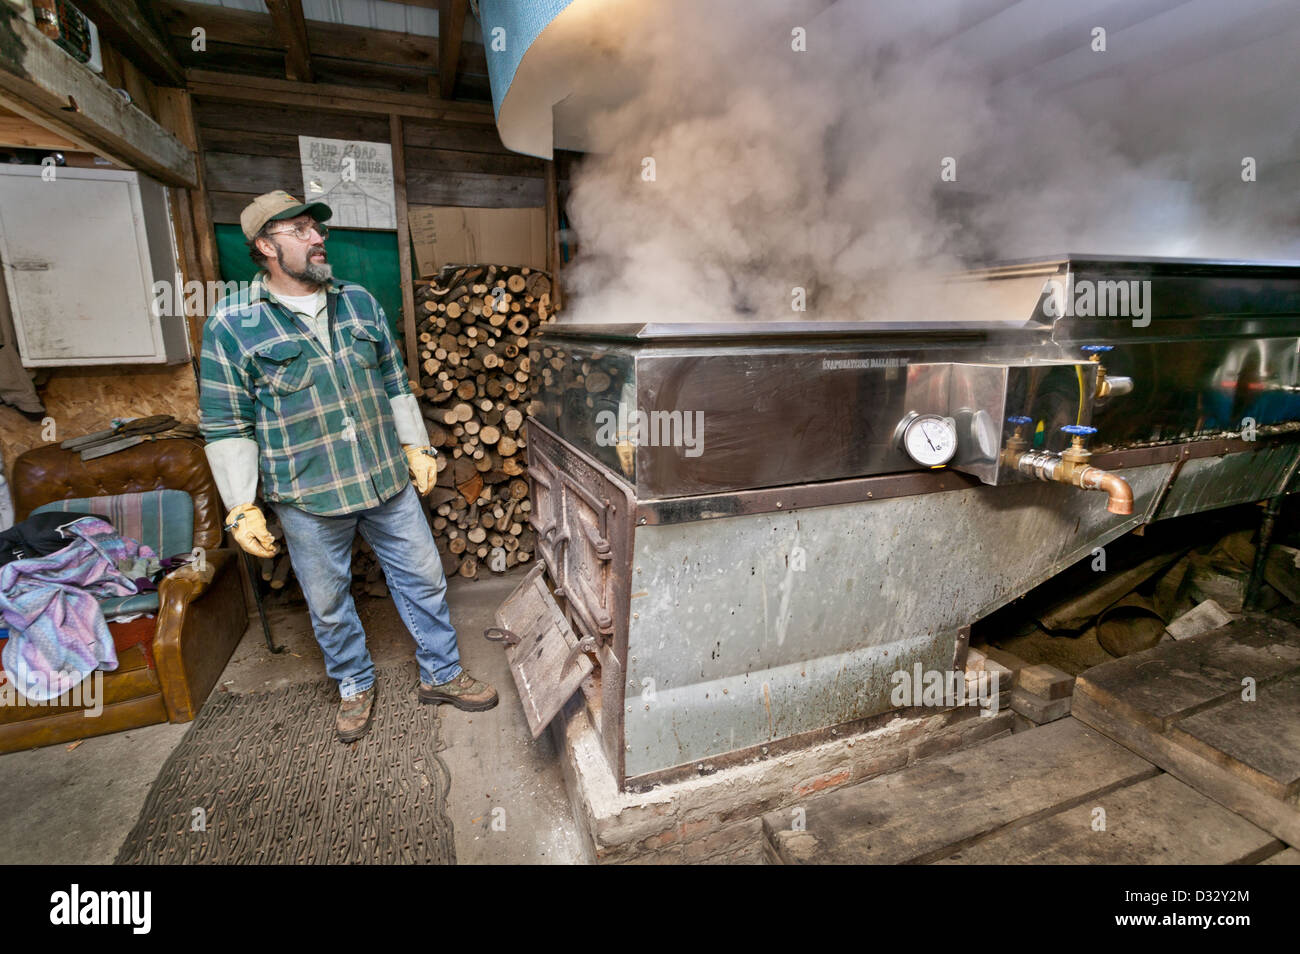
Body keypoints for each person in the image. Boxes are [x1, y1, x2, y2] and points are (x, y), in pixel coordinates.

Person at [198, 190, 497, 743]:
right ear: (264, 245)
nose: (317, 238)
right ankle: (355, 684)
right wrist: (242, 504)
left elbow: (391, 381)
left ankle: (442, 673)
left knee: (425, 580)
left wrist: (416, 447)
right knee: (329, 602)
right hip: (308, 496)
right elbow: (225, 423)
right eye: (299, 231)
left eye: (316, 227)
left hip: (385, 479)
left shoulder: (359, 301)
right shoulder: (232, 324)